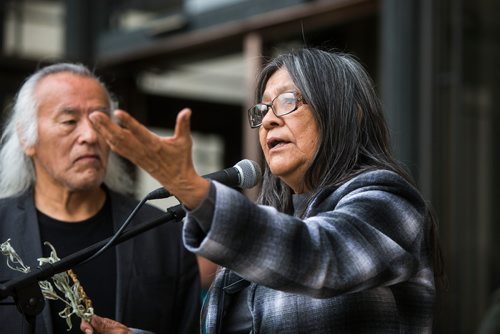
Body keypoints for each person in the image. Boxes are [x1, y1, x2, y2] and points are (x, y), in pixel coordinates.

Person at [83, 48, 443, 333]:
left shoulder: (390, 202)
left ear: (350, 114)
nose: (269, 119)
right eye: (263, 108)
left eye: (289, 101)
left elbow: (322, 256)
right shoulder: (275, 226)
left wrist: (195, 191)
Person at [0, 63, 200, 334]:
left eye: (100, 122)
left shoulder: (162, 232)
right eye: (70, 121)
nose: (91, 136)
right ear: (27, 135)